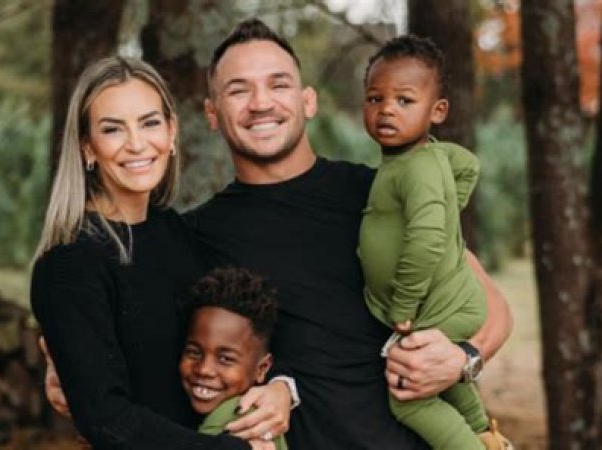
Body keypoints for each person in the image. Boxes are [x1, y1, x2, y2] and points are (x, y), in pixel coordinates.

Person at [44, 19, 514, 449]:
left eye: (278, 84)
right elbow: (134, 322)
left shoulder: (374, 195)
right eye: (238, 90)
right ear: (211, 113)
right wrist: (60, 360)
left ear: (308, 101)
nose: (261, 103)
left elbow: (492, 307)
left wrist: (463, 358)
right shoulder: (193, 237)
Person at [31, 56, 285, 450]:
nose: (136, 143)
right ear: (87, 147)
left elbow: (249, 332)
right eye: (112, 129)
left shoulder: (179, 236)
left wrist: (281, 387)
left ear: (171, 132)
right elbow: (106, 419)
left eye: (149, 123)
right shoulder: (70, 263)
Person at [358, 35, 510, 450]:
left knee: (407, 395)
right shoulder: (426, 158)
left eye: (404, 100)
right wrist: (448, 209)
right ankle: (484, 433)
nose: (387, 109)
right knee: (435, 377)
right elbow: (469, 165)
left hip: (434, 308)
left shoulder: (418, 166)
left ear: (437, 110)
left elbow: (426, 242)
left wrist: (403, 306)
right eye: (375, 98)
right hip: (443, 305)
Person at [180, 267, 289, 450]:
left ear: (262, 368)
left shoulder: (234, 419)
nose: (204, 369)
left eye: (225, 359)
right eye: (195, 352)